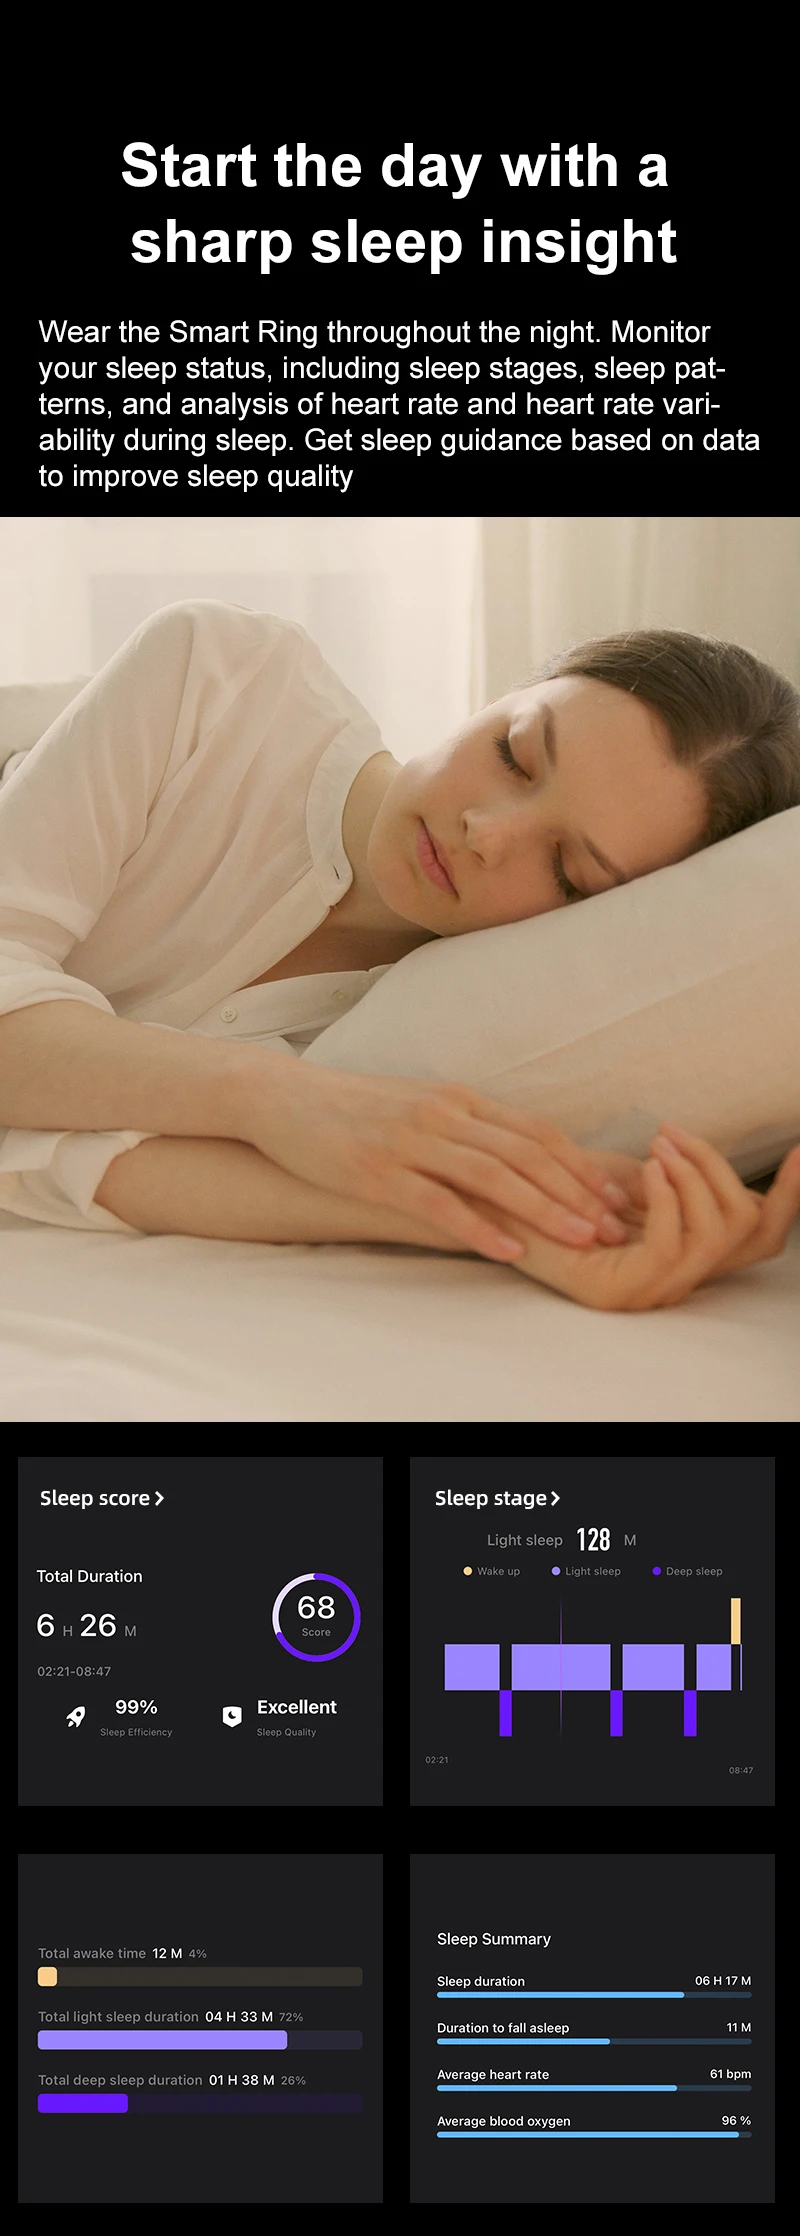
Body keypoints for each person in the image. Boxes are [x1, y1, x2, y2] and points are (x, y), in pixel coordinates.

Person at [1, 599, 798, 1311]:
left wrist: (527, 1232)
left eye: (568, 871)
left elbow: (64, 1154)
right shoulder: (223, 678)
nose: (487, 831)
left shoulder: (433, 1029)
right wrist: (274, 1098)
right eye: (514, 754)